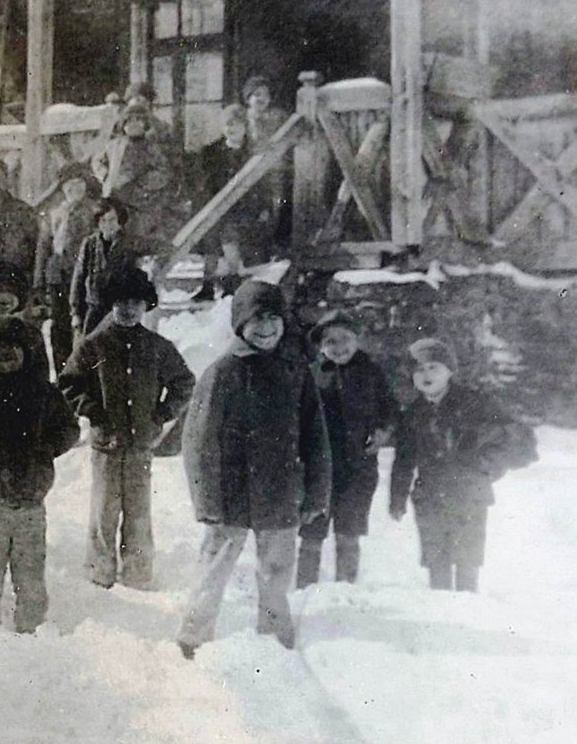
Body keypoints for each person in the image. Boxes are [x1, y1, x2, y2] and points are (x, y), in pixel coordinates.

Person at [176, 280, 330, 657]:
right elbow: (198, 441)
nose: (266, 328)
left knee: (277, 569)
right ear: (240, 324)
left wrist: (316, 492)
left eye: (274, 319)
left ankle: (275, 638)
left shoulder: (296, 372)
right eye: (257, 320)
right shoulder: (224, 372)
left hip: (280, 491)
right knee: (215, 565)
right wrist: (206, 499)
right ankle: (193, 635)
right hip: (232, 491)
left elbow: (316, 438)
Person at [59, 267, 194, 590]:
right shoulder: (94, 346)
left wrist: (160, 414)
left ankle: (137, 572)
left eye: (136, 302)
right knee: (104, 509)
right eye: (121, 302)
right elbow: (69, 382)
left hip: (140, 446)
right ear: (110, 305)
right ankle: (100, 571)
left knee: (138, 511)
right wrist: (93, 411)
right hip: (106, 445)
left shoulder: (158, 347)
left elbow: (184, 382)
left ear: (146, 305)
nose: (129, 309)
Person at [389, 338, 538, 593]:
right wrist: (397, 497)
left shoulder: (474, 403)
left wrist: (487, 466)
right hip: (430, 496)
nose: (426, 375)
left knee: (467, 560)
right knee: (437, 562)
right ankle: (441, 612)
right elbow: (404, 458)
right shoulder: (413, 413)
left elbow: (516, 438)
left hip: (470, 494)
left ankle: (467, 612)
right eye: (419, 370)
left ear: (449, 371)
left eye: (433, 367)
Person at [0, 315, 78, 632]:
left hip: (30, 504)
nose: (5, 355)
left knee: (30, 576)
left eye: (13, 348)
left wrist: (45, 449)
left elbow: (69, 428)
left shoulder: (44, 394)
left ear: (27, 353)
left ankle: (33, 630)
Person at [297, 310, 397, 587]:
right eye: (330, 341)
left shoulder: (371, 372)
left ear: (357, 340)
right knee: (312, 533)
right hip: (319, 469)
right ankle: (304, 589)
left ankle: (345, 588)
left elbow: (390, 410)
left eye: (344, 339)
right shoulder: (313, 374)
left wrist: (382, 432)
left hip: (358, 468)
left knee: (349, 532)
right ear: (320, 346)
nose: (338, 347)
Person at [95, 86, 187, 255]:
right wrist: (105, 176)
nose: (133, 125)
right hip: (115, 198)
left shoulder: (150, 146)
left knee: (137, 237)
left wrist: (142, 184)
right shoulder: (114, 145)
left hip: (140, 200)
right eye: (129, 121)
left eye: (138, 121)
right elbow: (98, 162)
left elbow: (163, 170)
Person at [191, 105, 263, 298]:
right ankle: (207, 286)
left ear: (245, 127)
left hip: (240, 208)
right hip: (216, 205)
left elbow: (259, 184)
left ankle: (232, 283)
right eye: (227, 124)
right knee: (210, 245)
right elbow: (204, 181)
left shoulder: (252, 153)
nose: (231, 129)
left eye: (236, 124)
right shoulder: (211, 152)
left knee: (231, 243)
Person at [36, 162, 102, 371]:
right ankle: (63, 371)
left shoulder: (95, 210)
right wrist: (40, 278)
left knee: (84, 323)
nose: (74, 189)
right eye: (69, 185)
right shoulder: (54, 211)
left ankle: (84, 371)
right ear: (62, 188)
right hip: (59, 275)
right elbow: (44, 245)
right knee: (60, 325)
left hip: (85, 275)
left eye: (79, 184)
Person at [69, 198, 142, 338]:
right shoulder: (89, 244)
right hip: (94, 308)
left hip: (119, 310)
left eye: (112, 220)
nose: (107, 225)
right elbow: (78, 278)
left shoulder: (130, 244)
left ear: (120, 222)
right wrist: (75, 313)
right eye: (103, 220)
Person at [242, 75, 292, 251]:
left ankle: (273, 245)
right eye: (256, 95)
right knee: (253, 210)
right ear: (248, 99)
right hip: (251, 172)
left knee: (276, 206)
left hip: (275, 171)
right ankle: (255, 247)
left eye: (265, 94)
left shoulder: (277, 117)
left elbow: (291, 132)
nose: (261, 99)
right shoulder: (244, 119)